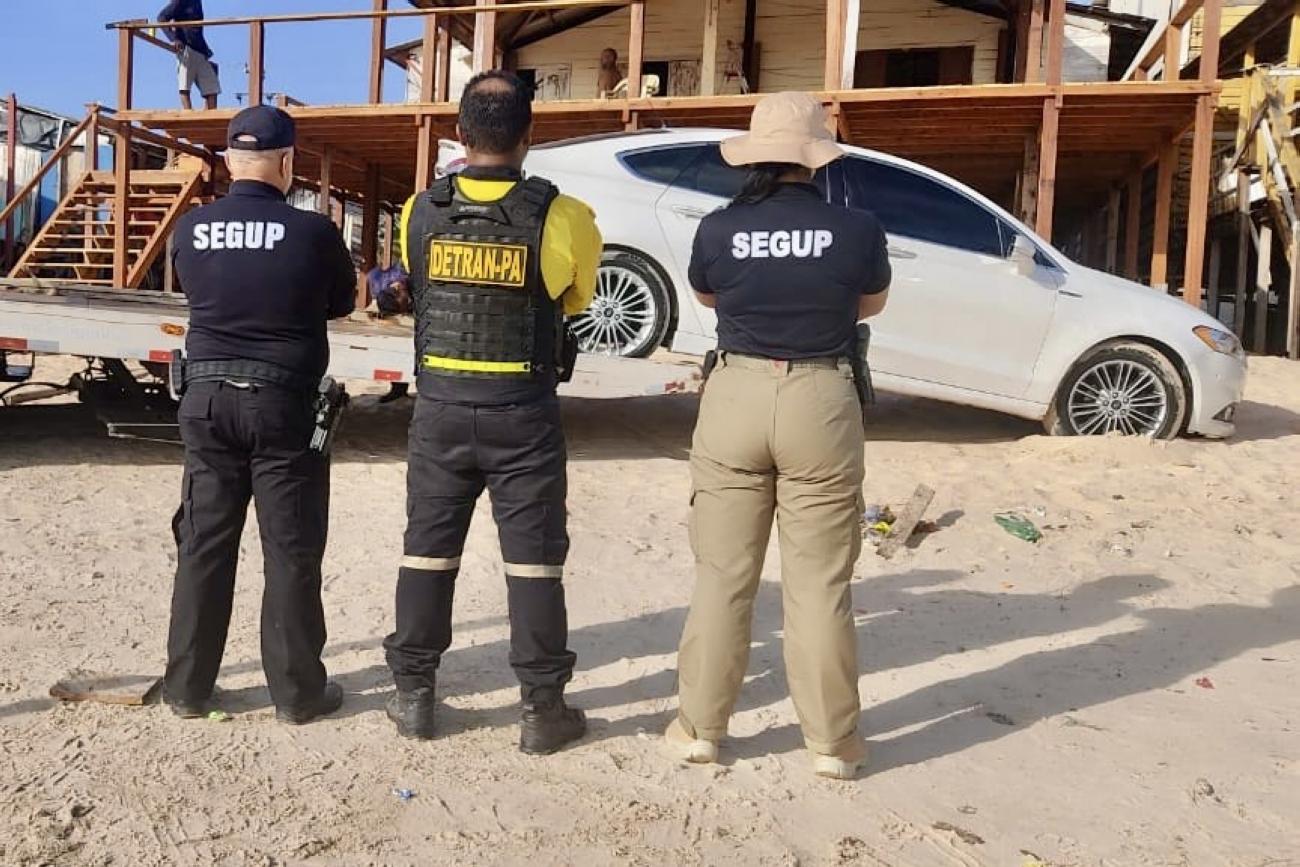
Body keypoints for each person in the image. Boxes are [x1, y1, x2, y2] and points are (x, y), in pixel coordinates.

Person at [664, 92, 891, 780]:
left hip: (735, 393)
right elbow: (869, 304)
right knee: (819, 583)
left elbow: (710, 296)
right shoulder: (856, 228)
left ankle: (700, 728)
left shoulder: (718, 228)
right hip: (820, 397)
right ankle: (831, 743)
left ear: (754, 157)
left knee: (723, 575)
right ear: (814, 158)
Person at [384, 71, 601, 754]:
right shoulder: (566, 215)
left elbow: (416, 283)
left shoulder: (419, 210)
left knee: (426, 551)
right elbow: (575, 300)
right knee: (534, 562)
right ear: (528, 136)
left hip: (441, 408)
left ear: (460, 135)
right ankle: (542, 709)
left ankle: (414, 696)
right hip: (522, 413)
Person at [164, 105, 356, 725]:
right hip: (282, 406)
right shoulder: (314, 232)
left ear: (228, 160)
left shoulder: (191, 228)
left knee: (204, 544)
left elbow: (193, 290)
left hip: (205, 401)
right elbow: (341, 302)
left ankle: (187, 688)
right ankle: (297, 696)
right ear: (287, 161)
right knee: (290, 549)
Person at [159, 0, 221, 110]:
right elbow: (162, 17)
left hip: (200, 51)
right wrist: (174, 39)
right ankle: (188, 114)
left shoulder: (197, 2)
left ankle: (210, 117)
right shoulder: (181, 1)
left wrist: (205, 49)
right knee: (185, 87)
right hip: (186, 48)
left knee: (212, 88)